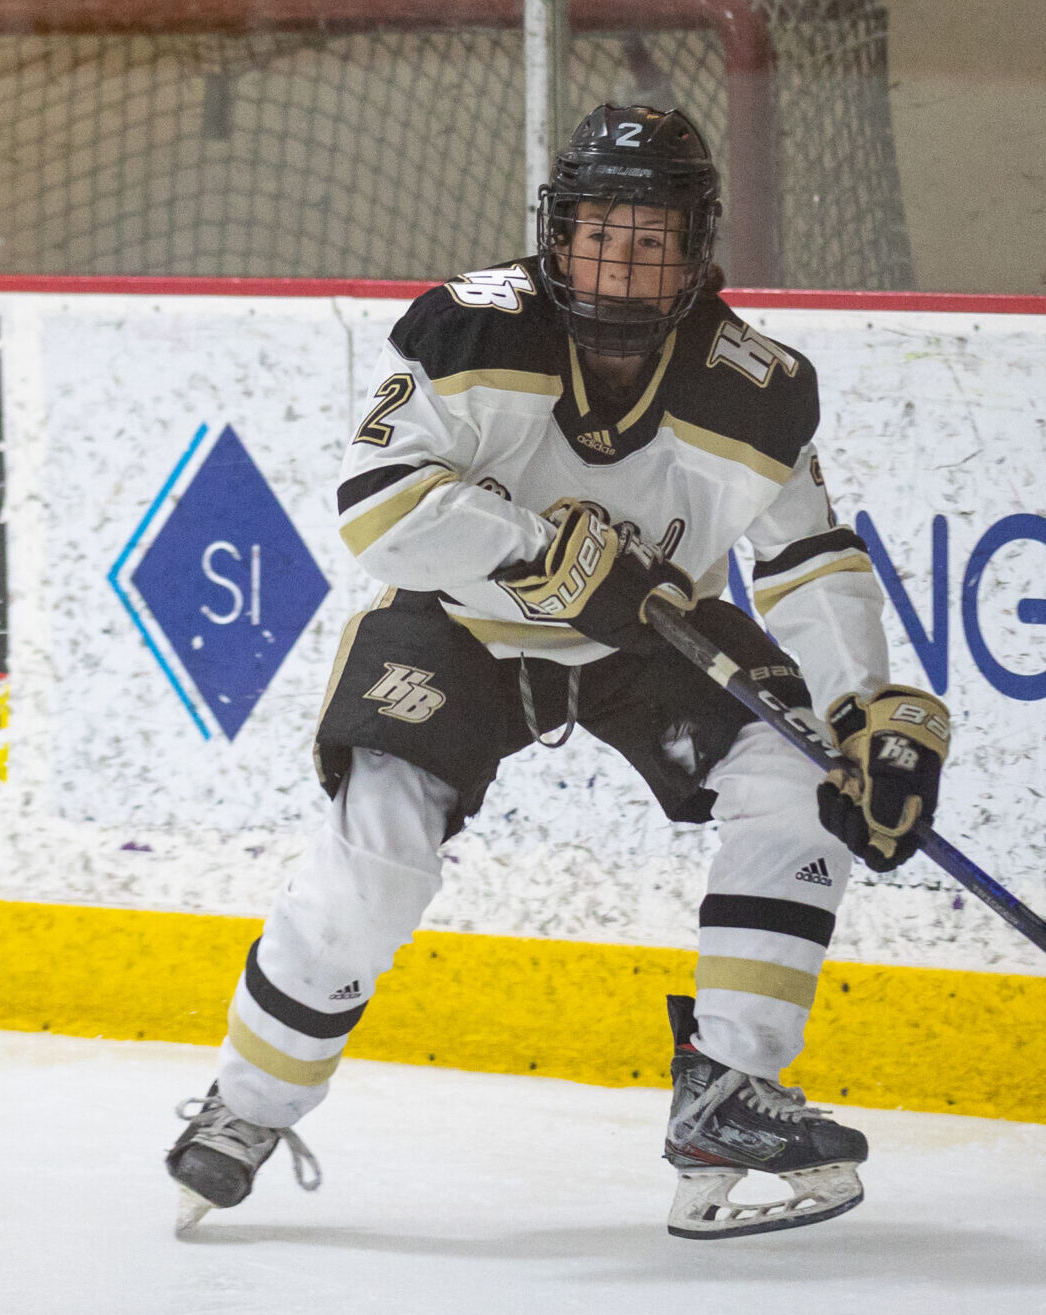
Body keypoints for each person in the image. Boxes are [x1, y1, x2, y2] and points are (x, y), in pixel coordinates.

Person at [164, 105, 952, 1240]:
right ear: (556, 231)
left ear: (695, 249)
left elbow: (805, 555)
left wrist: (863, 705)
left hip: (652, 634)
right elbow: (378, 511)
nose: (618, 261)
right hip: (464, 626)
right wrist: (537, 558)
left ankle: (727, 1092)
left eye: (649, 238)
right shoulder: (472, 329)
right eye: (596, 233)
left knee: (803, 770)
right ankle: (247, 1105)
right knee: (374, 863)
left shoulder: (755, 384)